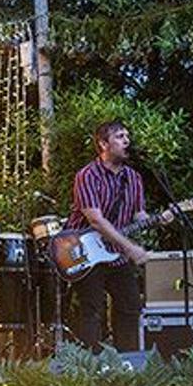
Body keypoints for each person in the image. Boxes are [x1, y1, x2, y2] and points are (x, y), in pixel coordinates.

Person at [66, 120, 149, 352]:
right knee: (92, 309)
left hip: (116, 255)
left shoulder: (133, 178)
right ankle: (90, 368)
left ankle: (128, 363)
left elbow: (139, 215)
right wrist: (131, 247)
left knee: (130, 306)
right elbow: (96, 220)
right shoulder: (87, 175)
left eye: (127, 136)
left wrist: (158, 219)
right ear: (103, 144)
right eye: (120, 136)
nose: (127, 141)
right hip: (86, 252)